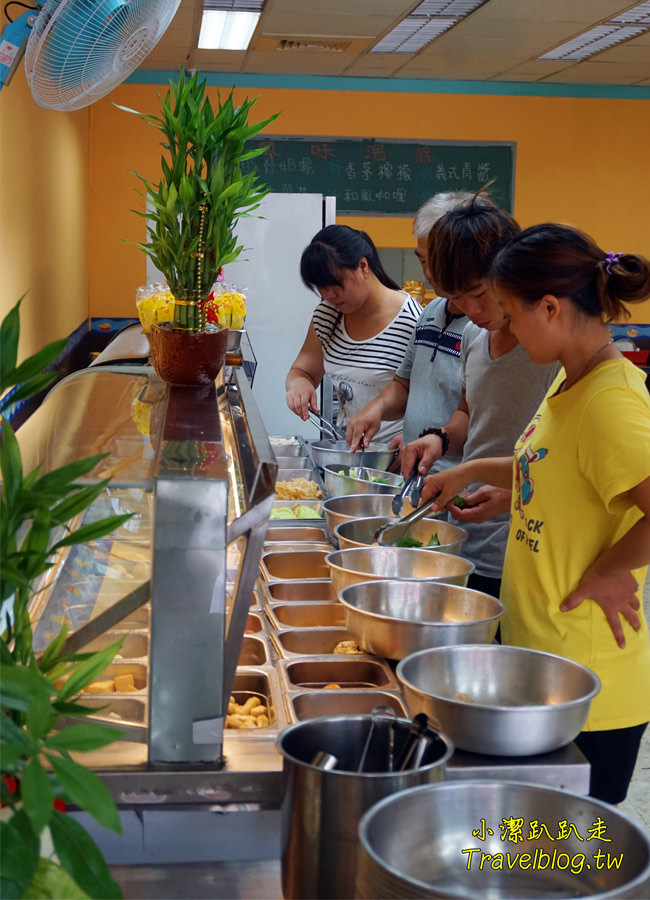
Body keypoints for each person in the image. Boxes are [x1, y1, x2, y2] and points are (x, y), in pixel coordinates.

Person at [420, 223, 650, 804]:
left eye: (512, 313)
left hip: (586, 677)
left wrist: (611, 569)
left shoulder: (610, 402)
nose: (506, 328)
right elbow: (552, 467)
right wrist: (478, 475)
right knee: (532, 847)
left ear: (549, 307)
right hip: (541, 654)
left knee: (570, 853)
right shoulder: (569, 382)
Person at [400, 195, 560, 598]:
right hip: (467, 536)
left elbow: (575, 465)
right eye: (456, 298)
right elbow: (469, 414)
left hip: (528, 549)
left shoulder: (552, 353)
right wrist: (438, 437)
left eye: (479, 294)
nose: (470, 310)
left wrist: (510, 493)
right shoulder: (474, 335)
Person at [345, 192, 472, 472]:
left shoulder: (482, 327)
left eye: (434, 260)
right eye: (422, 260)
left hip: (459, 482)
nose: (427, 272)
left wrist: (436, 439)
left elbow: (471, 413)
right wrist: (375, 410)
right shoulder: (430, 312)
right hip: (416, 477)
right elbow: (404, 385)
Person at [285, 225, 422, 444]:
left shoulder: (411, 320)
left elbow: (429, 400)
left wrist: (411, 438)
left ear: (363, 266)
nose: (329, 294)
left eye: (335, 283)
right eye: (321, 287)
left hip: (395, 453)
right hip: (347, 449)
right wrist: (299, 385)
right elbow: (302, 370)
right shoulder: (328, 314)